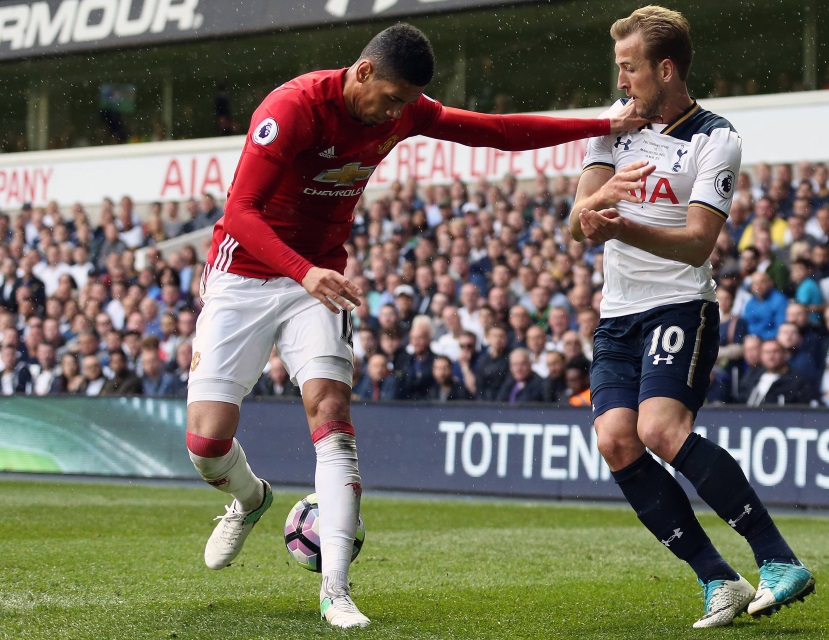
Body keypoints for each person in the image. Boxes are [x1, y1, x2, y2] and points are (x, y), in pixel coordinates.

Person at [183, 22, 646, 630]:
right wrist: (302, 272)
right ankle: (251, 498)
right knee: (206, 446)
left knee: (331, 417)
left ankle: (336, 592)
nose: (398, 114)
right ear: (364, 72)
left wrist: (602, 126)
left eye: (408, 103)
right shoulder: (293, 108)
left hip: (320, 281)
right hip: (247, 273)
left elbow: (496, 132)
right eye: (393, 98)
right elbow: (239, 213)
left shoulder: (402, 111)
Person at [568, 6, 813, 629]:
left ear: (665, 68)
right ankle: (718, 579)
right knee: (615, 440)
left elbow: (699, 241)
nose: (622, 81)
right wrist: (597, 207)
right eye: (619, 68)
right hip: (617, 313)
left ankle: (778, 561)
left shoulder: (716, 137)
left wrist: (623, 223)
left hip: (680, 303)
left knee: (660, 429)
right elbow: (577, 224)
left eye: (630, 68)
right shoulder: (611, 130)